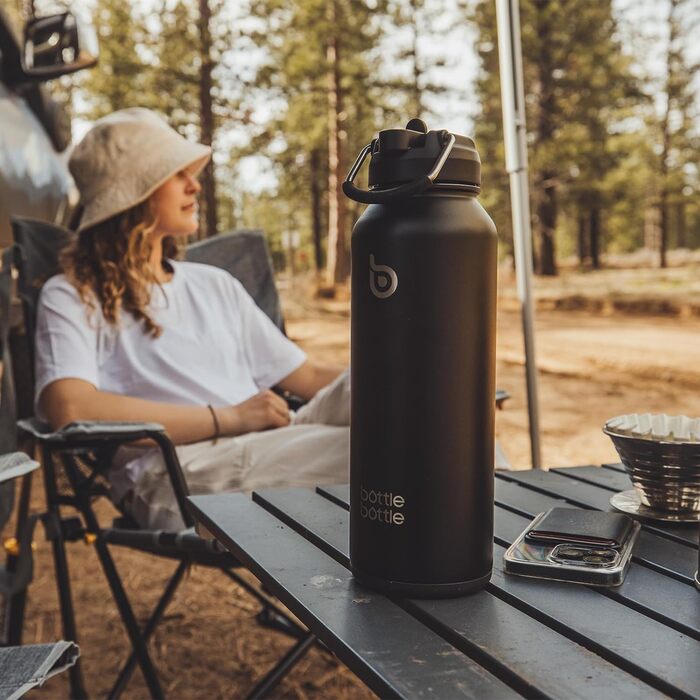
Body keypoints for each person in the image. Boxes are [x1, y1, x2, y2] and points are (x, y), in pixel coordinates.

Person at [35, 108, 350, 531]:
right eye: (176, 174)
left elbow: (308, 375)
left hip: (276, 440)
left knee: (405, 383)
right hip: (181, 471)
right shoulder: (72, 294)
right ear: (135, 193)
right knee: (378, 449)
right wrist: (232, 417)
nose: (195, 185)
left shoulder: (213, 283)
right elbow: (71, 409)